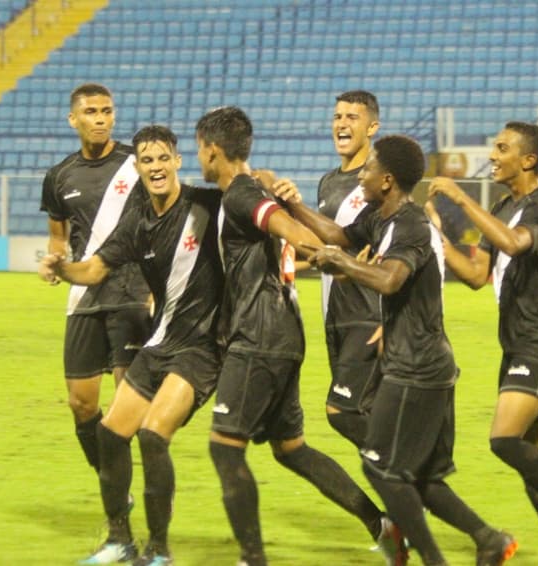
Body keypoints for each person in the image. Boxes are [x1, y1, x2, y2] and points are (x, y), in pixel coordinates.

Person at [275, 134, 518, 566]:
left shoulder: (409, 226)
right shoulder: (380, 214)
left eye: (368, 168)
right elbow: (340, 234)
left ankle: (433, 559)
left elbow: (390, 280)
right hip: (416, 364)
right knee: (416, 477)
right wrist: (294, 207)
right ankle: (487, 540)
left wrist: (340, 263)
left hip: (418, 368)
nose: (362, 174)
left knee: (381, 467)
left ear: (386, 180)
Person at [194, 106, 405, 566]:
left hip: (258, 337)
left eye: (199, 152)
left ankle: (253, 559)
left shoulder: (242, 195)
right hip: (282, 334)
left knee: (224, 448)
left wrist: (332, 255)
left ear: (212, 150)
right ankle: (382, 524)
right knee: (291, 450)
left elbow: (286, 229)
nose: (199, 161)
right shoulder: (248, 189)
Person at [39, 125, 223, 566]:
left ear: (177, 161)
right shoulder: (138, 223)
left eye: (163, 158)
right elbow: (95, 269)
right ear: (137, 167)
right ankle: (120, 542)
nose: (155, 167)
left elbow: (250, 197)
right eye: (146, 160)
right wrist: (63, 268)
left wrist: (274, 185)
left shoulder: (207, 205)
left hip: (202, 348)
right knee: (109, 434)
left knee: (152, 435)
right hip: (161, 343)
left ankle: (159, 551)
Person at [427, 121, 538, 566]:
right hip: (519, 342)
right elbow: (474, 276)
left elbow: (514, 243)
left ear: (527, 160)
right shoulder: (505, 205)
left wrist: (462, 198)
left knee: (505, 440)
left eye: (502, 148)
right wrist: (438, 236)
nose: (492, 154)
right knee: (531, 464)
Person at [40, 83, 151, 482]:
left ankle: (137, 502)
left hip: (133, 291)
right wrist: (54, 261)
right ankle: (112, 481)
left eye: (107, 111)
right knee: (81, 404)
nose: (100, 119)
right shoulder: (59, 176)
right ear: (74, 119)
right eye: (91, 112)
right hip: (85, 293)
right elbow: (58, 235)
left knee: (129, 404)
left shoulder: (136, 164)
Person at [315, 90, 383, 448]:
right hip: (335, 315)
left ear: (372, 126)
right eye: (338, 117)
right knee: (364, 414)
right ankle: (404, 494)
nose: (341, 124)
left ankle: (413, 482)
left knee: (344, 411)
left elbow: (347, 239)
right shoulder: (327, 183)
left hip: (368, 315)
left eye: (351, 118)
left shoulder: (378, 182)